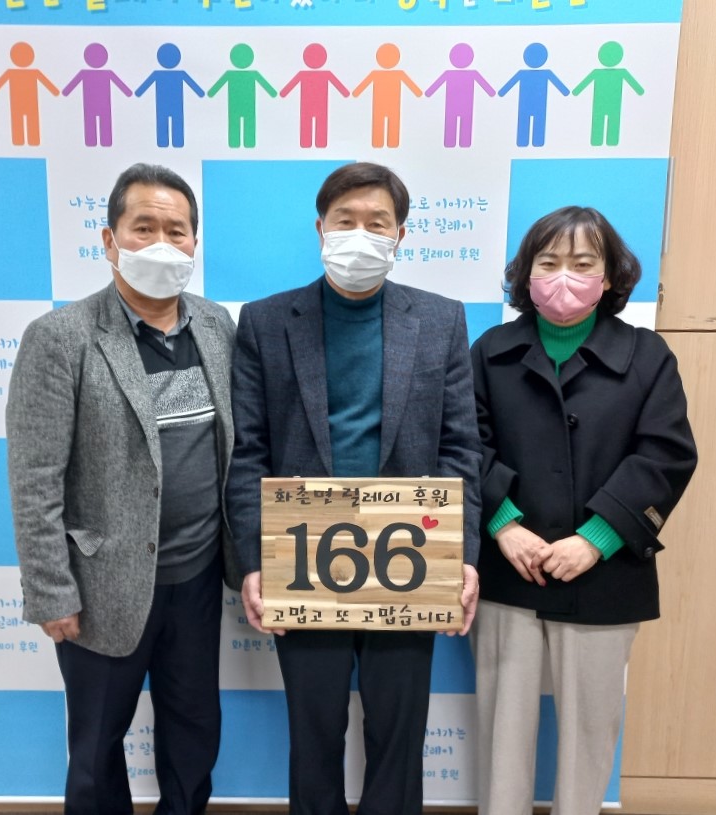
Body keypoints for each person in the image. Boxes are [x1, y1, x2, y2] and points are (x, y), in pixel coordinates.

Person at [227, 161, 482, 815]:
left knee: (400, 733)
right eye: (346, 221)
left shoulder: (441, 320)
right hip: (303, 555)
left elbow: (460, 449)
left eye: (377, 222)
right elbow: (249, 452)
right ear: (320, 229)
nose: (360, 235)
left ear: (401, 235)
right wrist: (254, 561)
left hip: (411, 556)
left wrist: (462, 554)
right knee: (313, 734)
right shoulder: (264, 322)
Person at [6, 163, 240, 815]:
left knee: (194, 732)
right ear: (110, 240)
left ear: (194, 242)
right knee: (96, 747)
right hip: (101, 586)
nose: (162, 243)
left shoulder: (216, 326)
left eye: (176, 230)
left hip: (197, 578)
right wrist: (51, 590)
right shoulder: (61, 338)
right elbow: (34, 479)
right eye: (144, 227)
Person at [470, 206, 697, 815]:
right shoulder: (490, 351)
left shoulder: (648, 355)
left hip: (605, 572)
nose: (563, 277)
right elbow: (465, 445)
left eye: (582, 262)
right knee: (502, 734)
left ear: (609, 275)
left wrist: (597, 538)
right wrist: (503, 525)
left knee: (589, 736)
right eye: (548, 263)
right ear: (526, 274)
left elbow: (666, 455)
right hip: (508, 569)